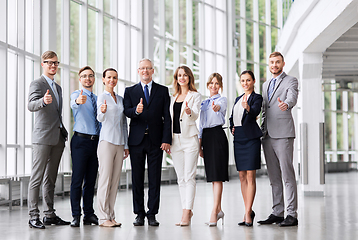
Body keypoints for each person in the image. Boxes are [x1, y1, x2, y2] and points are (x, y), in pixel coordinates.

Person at [123, 59, 171, 227]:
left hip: (156, 141)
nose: (145, 71)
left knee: (154, 178)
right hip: (136, 140)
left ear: (152, 71)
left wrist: (166, 139)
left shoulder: (163, 91)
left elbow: (167, 117)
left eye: (148, 68)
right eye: (142, 68)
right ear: (138, 71)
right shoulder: (130, 91)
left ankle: (152, 213)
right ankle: (139, 213)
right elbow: (126, 111)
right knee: (137, 178)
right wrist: (136, 111)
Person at [27, 50, 70, 229]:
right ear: (42, 64)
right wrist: (43, 101)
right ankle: (33, 216)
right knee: (37, 177)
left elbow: (57, 114)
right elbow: (31, 105)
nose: (53, 65)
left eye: (55, 63)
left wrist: (63, 130)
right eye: (49, 62)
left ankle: (49, 214)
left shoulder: (58, 87)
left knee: (50, 178)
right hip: (42, 138)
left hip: (57, 137)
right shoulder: (37, 83)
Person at [258, 52, 299, 227]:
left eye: (277, 62)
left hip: (283, 134)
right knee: (274, 177)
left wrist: (287, 104)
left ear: (283, 63)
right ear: (269, 64)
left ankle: (292, 214)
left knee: (287, 175)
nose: (274, 65)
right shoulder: (265, 84)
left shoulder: (291, 80)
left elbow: (292, 97)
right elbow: (264, 109)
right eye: (272, 62)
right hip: (267, 135)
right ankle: (277, 212)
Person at [229, 70, 263, 227]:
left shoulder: (257, 98)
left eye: (248, 80)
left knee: (250, 176)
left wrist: (248, 107)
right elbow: (232, 118)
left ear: (253, 81)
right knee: (241, 175)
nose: (245, 83)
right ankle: (247, 209)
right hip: (239, 138)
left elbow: (255, 111)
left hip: (251, 138)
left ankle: (248, 213)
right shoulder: (237, 99)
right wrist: (232, 127)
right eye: (243, 80)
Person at [96, 68, 129, 227]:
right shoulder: (102, 97)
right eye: (108, 77)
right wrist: (102, 112)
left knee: (115, 181)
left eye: (114, 77)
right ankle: (102, 218)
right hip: (107, 142)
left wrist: (126, 145)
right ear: (103, 79)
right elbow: (100, 118)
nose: (112, 80)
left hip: (119, 143)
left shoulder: (121, 99)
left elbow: (124, 124)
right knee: (105, 180)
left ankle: (110, 215)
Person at [169, 66, 201, 226]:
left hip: (190, 139)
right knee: (181, 178)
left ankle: (187, 212)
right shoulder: (172, 97)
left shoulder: (195, 95)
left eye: (185, 75)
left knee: (189, 176)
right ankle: (185, 208)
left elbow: (195, 114)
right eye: (179, 75)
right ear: (176, 78)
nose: (182, 78)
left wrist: (189, 111)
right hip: (175, 141)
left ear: (189, 78)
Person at [69, 66, 100, 227]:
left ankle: (89, 214)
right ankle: (76, 215)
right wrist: (77, 101)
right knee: (77, 179)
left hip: (96, 142)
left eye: (90, 76)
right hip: (80, 142)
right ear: (80, 79)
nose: (87, 78)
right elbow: (73, 103)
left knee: (91, 180)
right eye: (84, 76)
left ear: (94, 79)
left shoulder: (97, 98)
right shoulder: (77, 95)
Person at [199, 73, 229, 227]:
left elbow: (220, 108)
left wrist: (216, 108)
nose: (214, 86)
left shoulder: (221, 100)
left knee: (217, 176)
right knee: (212, 176)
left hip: (217, 135)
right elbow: (201, 124)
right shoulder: (204, 103)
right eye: (211, 83)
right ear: (208, 85)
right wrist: (199, 144)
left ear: (220, 85)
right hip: (206, 137)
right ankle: (219, 209)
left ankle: (214, 211)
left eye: (217, 83)